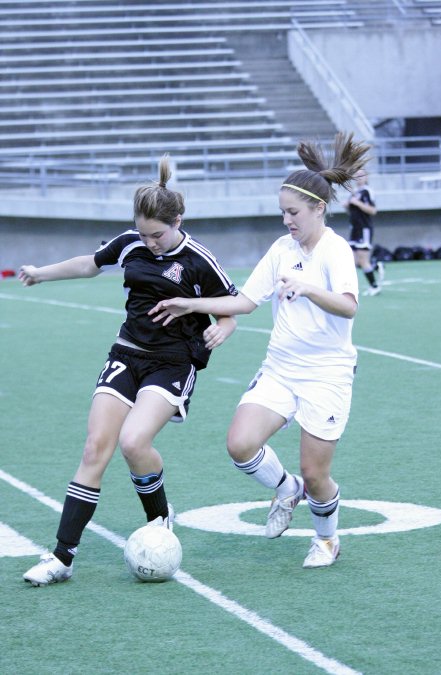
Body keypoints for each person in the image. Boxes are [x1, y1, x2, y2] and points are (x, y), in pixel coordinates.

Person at [150, 132, 370, 568]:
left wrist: (308, 288)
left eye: (293, 212)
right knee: (240, 443)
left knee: (317, 474)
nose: (287, 220)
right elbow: (246, 301)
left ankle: (326, 539)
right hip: (281, 369)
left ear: (318, 209)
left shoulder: (335, 251)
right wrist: (191, 303)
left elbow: (348, 307)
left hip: (327, 373)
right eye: (282, 212)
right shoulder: (281, 250)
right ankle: (285, 488)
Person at [19, 155, 237, 586]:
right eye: (143, 234)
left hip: (173, 363)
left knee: (134, 442)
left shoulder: (198, 259)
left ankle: (159, 517)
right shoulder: (132, 243)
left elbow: (232, 302)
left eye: (157, 235)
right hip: (126, 352)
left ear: (178, 221)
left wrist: (224, 328)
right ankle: (62, 559)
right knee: (94, 448)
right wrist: (40, 274)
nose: (150, 243)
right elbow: (90, 264)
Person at [344, 168, 384, 296]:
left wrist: (358, 203)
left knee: (362, 260)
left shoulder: (367, 192)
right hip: (354, 229)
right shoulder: (355, 192)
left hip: (364, 229)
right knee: (353, 261)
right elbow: (353, 212)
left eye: (361, 175)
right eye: (356, 176)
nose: (359, 178)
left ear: (366, 177)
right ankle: (376, 266)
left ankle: (374, 286)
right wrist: (347, 206)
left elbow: (373, 210)